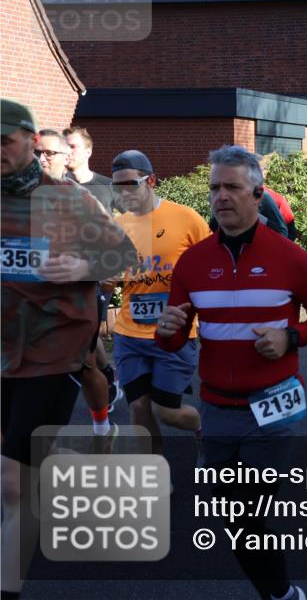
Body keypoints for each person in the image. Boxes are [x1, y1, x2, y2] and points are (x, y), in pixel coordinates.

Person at [157, 145, 307, 600]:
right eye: (215, 187)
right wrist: (167, 331)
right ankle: (278, 590)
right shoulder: (193, 262)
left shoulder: (291, 257)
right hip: (215, 407)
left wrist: (290, 338)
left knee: (248, 512)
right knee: (230, 512)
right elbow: (173, 341)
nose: (221, 196)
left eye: (232, 187)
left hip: (272, 404)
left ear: (258, 194)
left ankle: (280, 594)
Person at [2, 99, 137, 600]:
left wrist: (81, 268)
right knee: (9, 478)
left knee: (14, 483)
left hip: (53, 348)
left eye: (4, 140)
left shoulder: (68, 199)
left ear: (29, 142)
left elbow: (122, 254)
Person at [110, 150, 211, 457]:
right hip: (130, 334)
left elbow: (211, 268)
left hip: (175, 332)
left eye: (131, 184)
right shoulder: (118, 225)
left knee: (165, 411)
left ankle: (205, 430)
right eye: (118, 187)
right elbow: (108, 275)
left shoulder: (187, 219)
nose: (125, 192)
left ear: (151, 180)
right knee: (139, 409)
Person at [35, 130, 120, 438]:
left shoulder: (80, 197)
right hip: (30, 298)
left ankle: (101, 426)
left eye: (49, 153)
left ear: (64, 157)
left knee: (82, 365)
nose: (41, 159)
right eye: (36, 153)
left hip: (77, 294)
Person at [64, 125, 119, 397]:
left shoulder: (107, 187)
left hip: (99, 275)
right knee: (81, 333)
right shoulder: (55, 186)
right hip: (65, 274)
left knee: (86, 333)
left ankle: (102, 382)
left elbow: (131, 226)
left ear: (88, 150)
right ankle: (104, 376)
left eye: (72, 146)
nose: (67, 152)